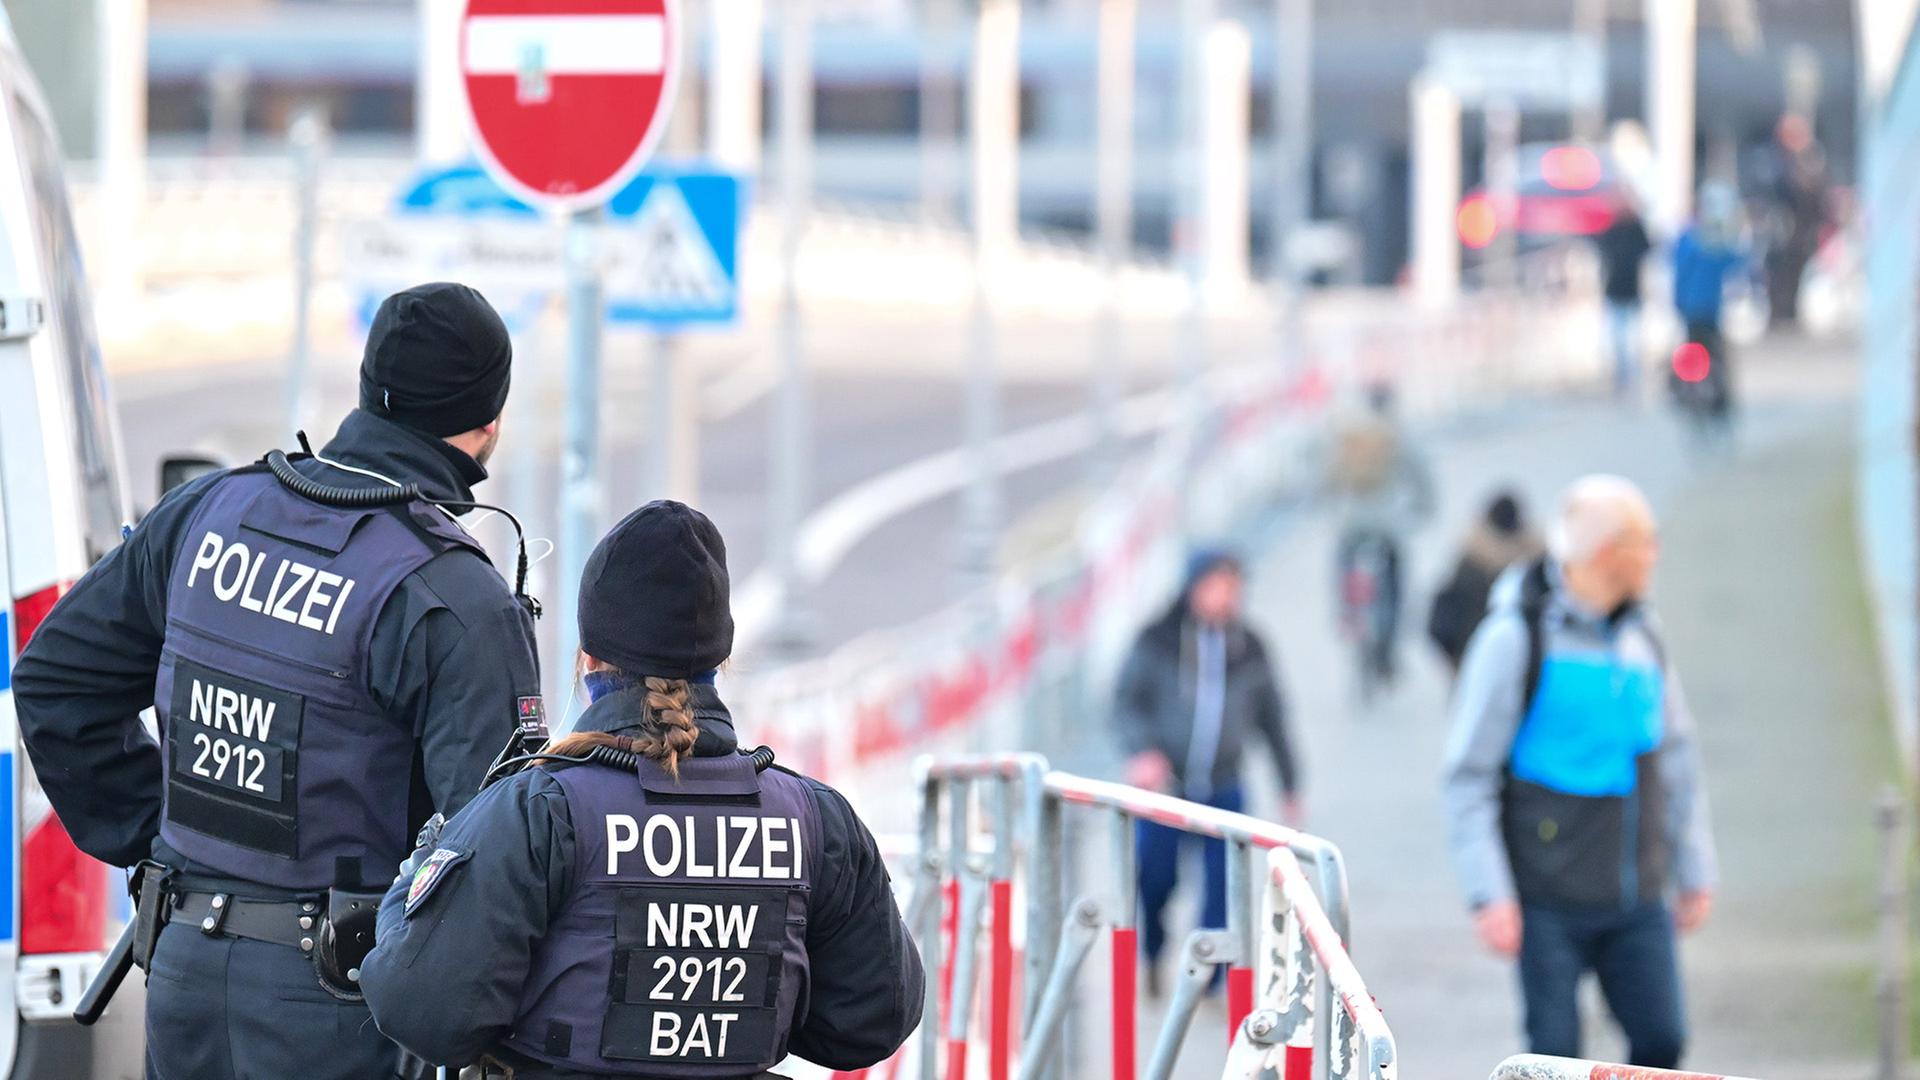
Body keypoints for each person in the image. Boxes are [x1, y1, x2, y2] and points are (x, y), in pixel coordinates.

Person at [11, 282, 544, 1080]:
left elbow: (56, 681)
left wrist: (163, 843)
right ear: (489, 424)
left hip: (185, 975)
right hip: (345, 1008)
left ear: (368, 390)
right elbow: (497, 863)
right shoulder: (454, 597)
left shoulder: (208, 513)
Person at [360, 501, 923, 1078]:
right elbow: (871, 1020)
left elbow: (420, 1009)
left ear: (591, 658)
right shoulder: (815, 820)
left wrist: (414, 883)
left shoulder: (540, 812)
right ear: (721, 658)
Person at [1441, 475, 1716, 1068]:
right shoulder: (1514, 638)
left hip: (1636, 893)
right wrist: (1489, 894)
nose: (1655, 554)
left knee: (1662, 1042)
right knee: (1555, 1057)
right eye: (1645, 541)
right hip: (1546, 899)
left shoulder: (1645, 636)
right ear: (1604, 553)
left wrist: (1694, 865)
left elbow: (1676, 758)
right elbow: (1469, 775)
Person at [1115, 549, 1299, 990]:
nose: (1226, 597)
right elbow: (1126, 703)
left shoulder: (1249, 646)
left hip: (1224, 785)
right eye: (1216, 585)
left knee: (1224, 889)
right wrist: (1143, 751)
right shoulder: (1156, 639)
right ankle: (1153, 953)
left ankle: (1210, 982)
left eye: (1233, 587)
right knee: (1155, 878)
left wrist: (1290, 782)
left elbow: (1273, 718)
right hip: (1165, 788)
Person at [1325, 384, 1438, 682]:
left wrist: (1335, 510)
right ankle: (1388, 652)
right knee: (1394, 586)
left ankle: (1348, 616)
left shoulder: (1347, 436)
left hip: (1350, 525)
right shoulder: (1397, 436)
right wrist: (1422, 511)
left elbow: (1324, 478)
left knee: (1345, 573)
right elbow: (1421, 478)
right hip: (1387, 527)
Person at [1427, 491, 1544, 674]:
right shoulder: (1536, 563)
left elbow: (1444, 613)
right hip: (1524, 660)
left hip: (1473, 652)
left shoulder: (1471, 556)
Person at [1670, 182, 1750, 420]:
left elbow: (1679, 271)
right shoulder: (1712, 242)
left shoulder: (1692, 240)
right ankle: (1713, 399)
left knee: (1697, 353)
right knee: (1712, 354)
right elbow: (1736, 262)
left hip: (1694, 308)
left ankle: (1691, 394)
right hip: (1707, 309)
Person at [1595, 194, 1653, 398]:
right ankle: (1622, 380)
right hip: (1615, 291)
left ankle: (1633, 380)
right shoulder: (1611, 230)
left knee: (1632, 340)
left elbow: (1649, 250)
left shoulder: (1636, 230)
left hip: (1632, 291)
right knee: (1618, 341)